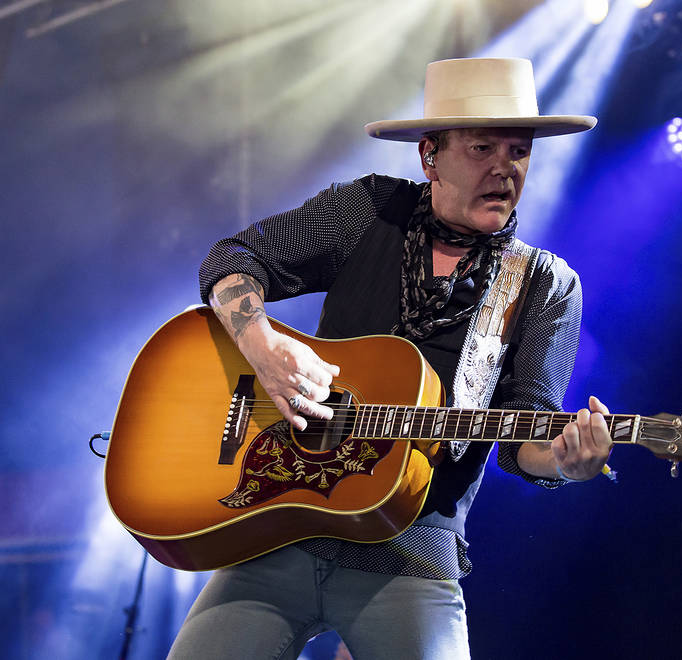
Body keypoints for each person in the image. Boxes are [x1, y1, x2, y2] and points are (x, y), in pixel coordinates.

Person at [168, 57, 613, 659]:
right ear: (430, 154)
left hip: (412, 553)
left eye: (519, 150)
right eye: (483, 147)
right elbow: (232, 257)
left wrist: (564, 463)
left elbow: (523, 440)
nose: (505, 169)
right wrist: (263, 347)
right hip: (280, 531)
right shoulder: (366, 212)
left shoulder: (544, 285)